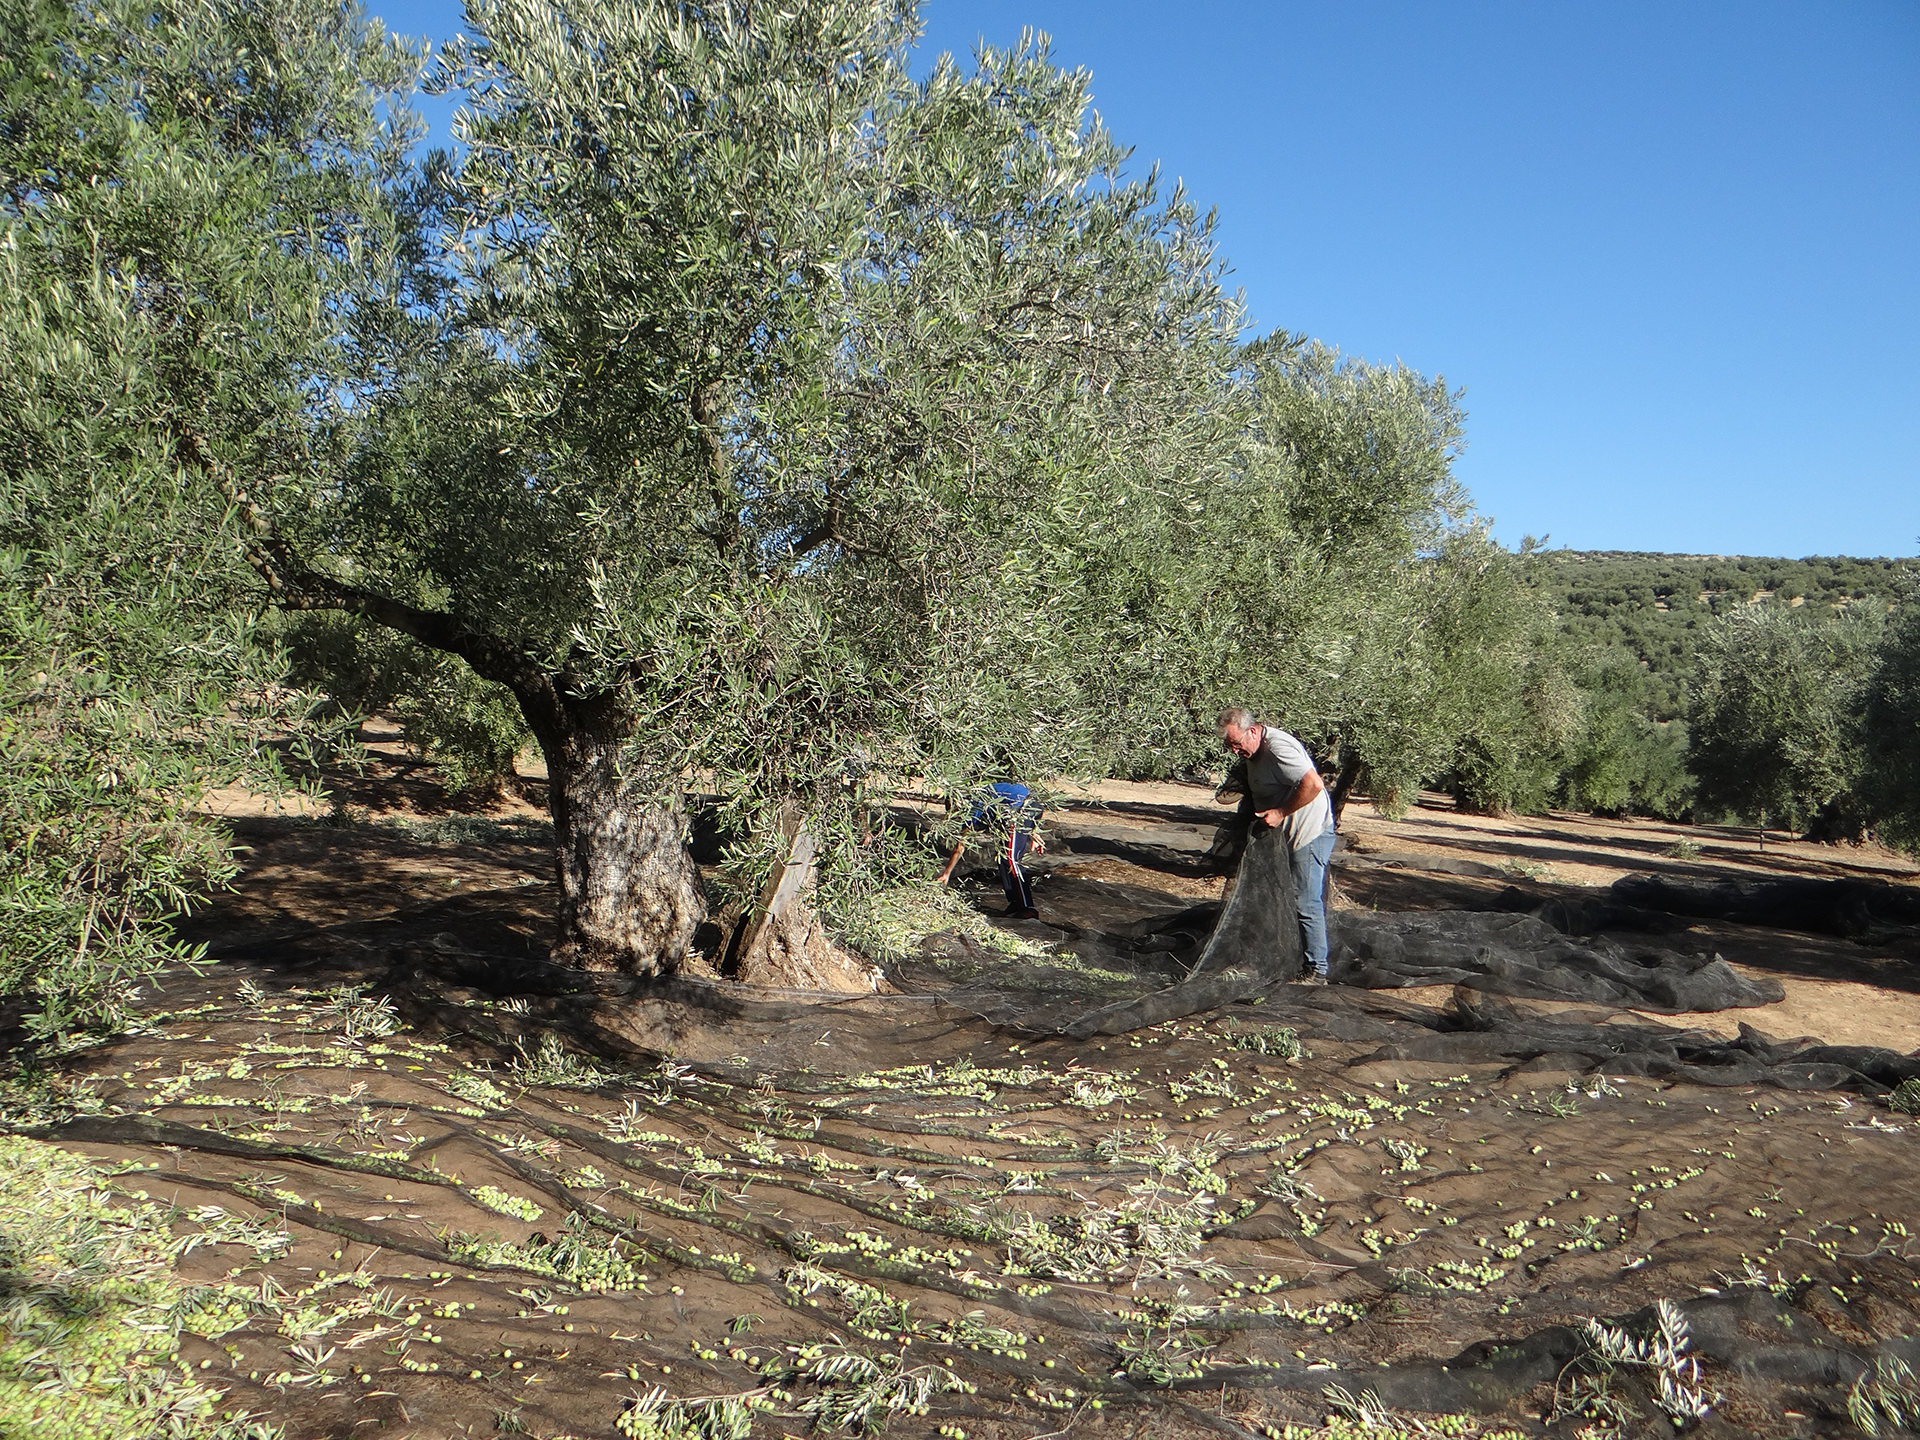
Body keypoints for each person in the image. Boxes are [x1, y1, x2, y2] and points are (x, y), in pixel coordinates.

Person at [1214, 707, 1336, 982]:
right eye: (1229, 746)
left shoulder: (1279, 747)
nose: (1234, 750)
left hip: (1309, 834)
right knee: (1272, 897)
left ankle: (1317, 970)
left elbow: (1314, 784)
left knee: (1305, 900)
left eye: (1236, 743)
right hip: (1283, 838)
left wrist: (1280, 812)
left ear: (1253, 731)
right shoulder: (1251, 752)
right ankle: (1276, 959)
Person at [935, 781, 1045, 919]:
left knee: (1011, 859)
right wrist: (1033, 831)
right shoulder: (978, 795)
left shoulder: (975, 805)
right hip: (1026, 808)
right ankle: (1016, 903)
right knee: (1003, 857)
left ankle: (1028, 907)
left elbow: (960, 845)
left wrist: (946, 873)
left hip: (1021, 812)